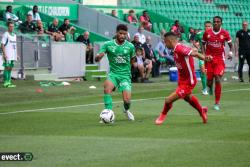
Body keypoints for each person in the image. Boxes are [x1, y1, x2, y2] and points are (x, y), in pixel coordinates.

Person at [155, 32, 211, 125]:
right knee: (188, 98)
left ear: (169, 41)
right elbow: (191, 51)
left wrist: (205, 58)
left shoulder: (179, 48)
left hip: (188, 81)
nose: (165, 44)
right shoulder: (177, 49)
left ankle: (162, 115)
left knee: (168, 100)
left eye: (165, 42)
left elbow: (194, 53)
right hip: (182, 80)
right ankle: (202, 111)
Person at [95, 24, 135, 121]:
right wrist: (99, 57)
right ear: (116, 33)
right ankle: (108, 113)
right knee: (107, 89)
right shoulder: (108, 44)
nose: (122, 36)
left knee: (127, 100)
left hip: (125, 75)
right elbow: (99, 56)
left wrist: (128, 69)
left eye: (124, 34)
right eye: (120, 33)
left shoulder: (130, 46)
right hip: (113, 74)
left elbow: (133, 59)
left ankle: (126, 110)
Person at [202, 16, 233, 111]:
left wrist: (230, 52)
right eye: (214, 21)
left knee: (218, 77)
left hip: (220, 59)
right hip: (209, 59)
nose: (216, 23)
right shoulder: (207, 33)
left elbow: (230, 45)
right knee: (209, 81)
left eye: (218, 21)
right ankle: (210, 87)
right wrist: (204, 55)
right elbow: (203, 44)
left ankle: (217, 103)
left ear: (221, 23)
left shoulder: (225, 33)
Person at [194, 21, 213, 95]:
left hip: (211, 56)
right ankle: (204, 89)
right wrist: (198, 47)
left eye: (209, 26)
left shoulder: (214, 35)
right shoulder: (199, 34)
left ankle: (210, 88)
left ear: (211, 27)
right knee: (203, 70)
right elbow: (194, 42)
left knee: (210, 72)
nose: (207, 27)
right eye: (206, 26)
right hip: (202, 55)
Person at [1, 22, 17, 88]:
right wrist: (4, 54)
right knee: (7, 68)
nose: (12, 27)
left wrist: (17, 54)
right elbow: (2, 44)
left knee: (10, 68)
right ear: (8, 27)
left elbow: (15, 45)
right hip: (7, 54)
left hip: (13, 54)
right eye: (10, 26)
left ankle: (9, 82)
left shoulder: (14, 35)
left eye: (13, 26)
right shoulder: (6, 34)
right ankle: (5, 82)